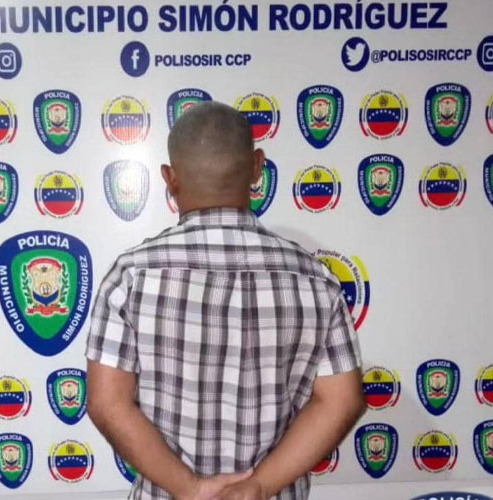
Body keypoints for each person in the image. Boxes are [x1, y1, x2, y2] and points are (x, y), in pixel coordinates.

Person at [85, 102, 365, 500]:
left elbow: (107, 404)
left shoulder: (130, 277)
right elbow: (342, 401)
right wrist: (259, 485)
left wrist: (191, 488)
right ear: (257, 167)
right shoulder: (316, 281)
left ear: (170, 178)